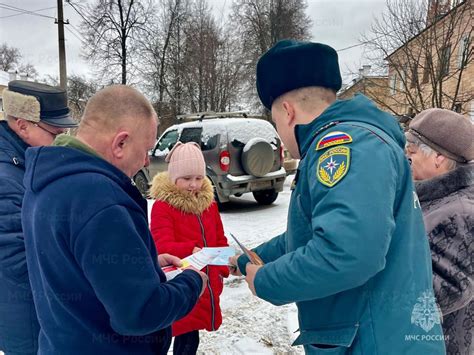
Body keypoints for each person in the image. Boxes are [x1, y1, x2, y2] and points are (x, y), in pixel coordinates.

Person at [228, 40, 446, 354]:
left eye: (275, 121)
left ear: (287, 112)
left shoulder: (346, 146)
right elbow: (317, 234)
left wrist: (266, 280)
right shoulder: (360, 141)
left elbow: (348, 251)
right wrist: (252, 257)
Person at [21, 85, 207, 354]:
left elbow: (73, 268)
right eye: (145, 150)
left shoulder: (47, 180)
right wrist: (191, 283)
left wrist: (144, 267)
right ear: (120, 143)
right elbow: (139, 313)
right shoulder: (101, 199)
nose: (145, 161)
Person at [0, 80, 78, 355]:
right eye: (54, 133)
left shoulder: (25, 161)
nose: (60, 141)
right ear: (22, 125)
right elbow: (17, 258)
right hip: (27, 318)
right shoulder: (5, 176)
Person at [149, 142, 230, 355]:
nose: (194, 184)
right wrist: (191, 250)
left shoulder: (209, 205)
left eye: (198, 178)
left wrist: (226, 264)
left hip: (206, 283)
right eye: (186, 179)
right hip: (180, 282)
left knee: (191, 337)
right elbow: (161, 245)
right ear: (173, 177)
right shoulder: (163, 206)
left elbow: (219, 239)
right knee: (174, 332)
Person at [405, 108, 473, 355]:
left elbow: (440, 292)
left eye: (411, 152)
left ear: (438, 158)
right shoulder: (433, 199)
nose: (406, 158)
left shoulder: (461, 213)